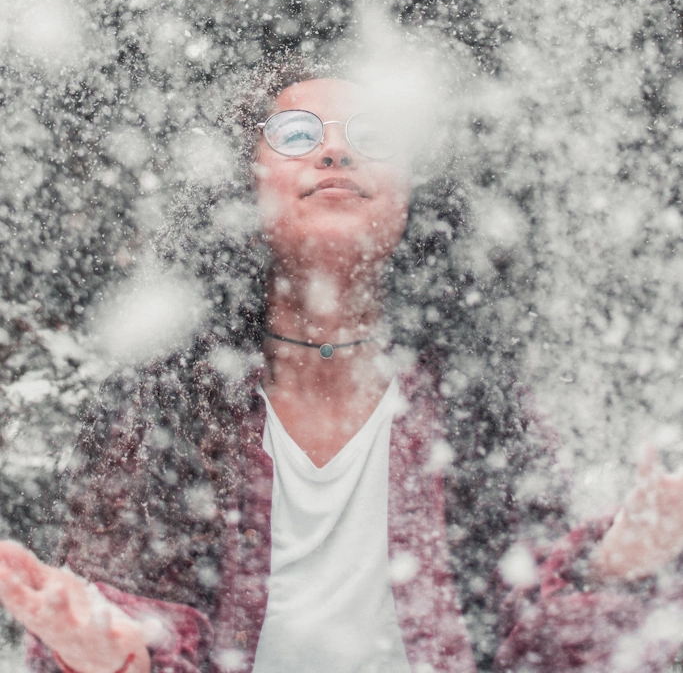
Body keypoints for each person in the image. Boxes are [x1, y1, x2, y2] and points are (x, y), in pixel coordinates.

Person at [2, 62, 683, 673]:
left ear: (407, 195)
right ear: (247, 188)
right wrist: (104, 657)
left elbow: (534, 647)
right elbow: (125, 627)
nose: (335, 150)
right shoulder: (165, 406)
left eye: (372, 136)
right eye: (296, 134)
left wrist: (621, 563)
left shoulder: (479, 407)